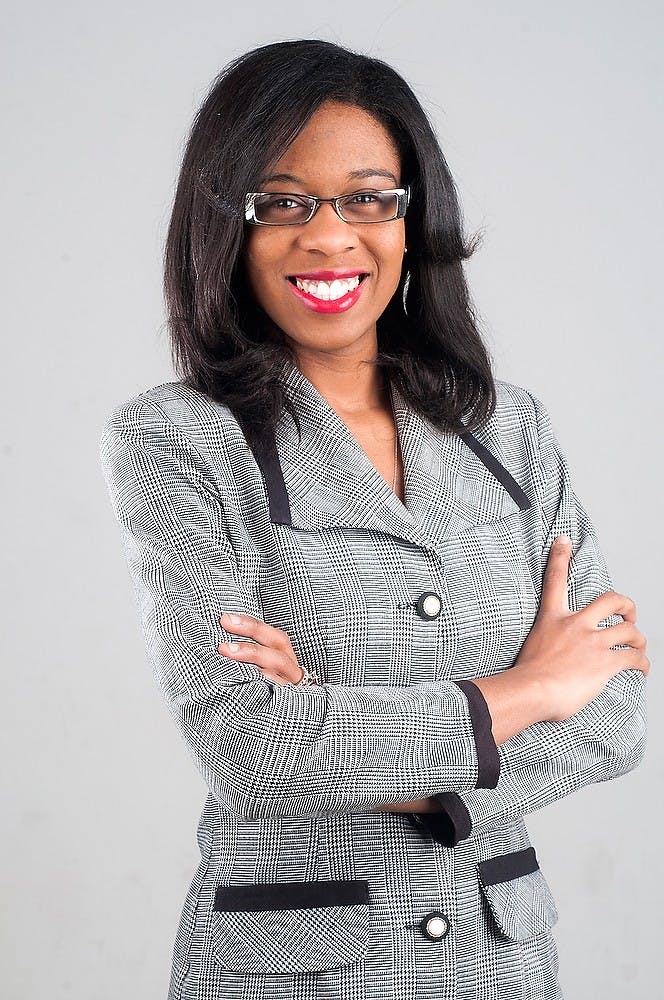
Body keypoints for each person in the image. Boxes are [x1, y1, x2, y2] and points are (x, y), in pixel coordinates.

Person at [99, 38, 649, 1000]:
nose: (329, 237)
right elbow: (252, 751)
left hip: (499, 962)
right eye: (284, 203)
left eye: (368, 198)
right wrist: (524, 691)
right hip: (294, 972)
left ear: (411, 218)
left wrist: (337, 729)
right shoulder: (179, 440)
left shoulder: (507, 429)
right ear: (226, 223)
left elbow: (615, 715)